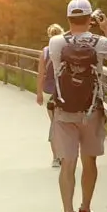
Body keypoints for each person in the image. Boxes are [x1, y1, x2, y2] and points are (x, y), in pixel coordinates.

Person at [49, 0, 107, 212]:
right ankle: (85, 211)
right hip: (91, 111)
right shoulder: (99, 42)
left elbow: (56, 68)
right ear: (89, 18)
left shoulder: (56, 42)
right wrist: (106, 28)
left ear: (68, 17)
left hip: (64, 111)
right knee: (89, 162)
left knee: (68, 163)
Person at [35, 23, 65, 167]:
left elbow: (41, 74)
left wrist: (39, 93)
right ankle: (65, 154)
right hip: (64, 92)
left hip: (48, 91)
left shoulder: (45, 52)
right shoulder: (66, 50)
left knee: (54, 123)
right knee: (64, 124)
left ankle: (56, 157)